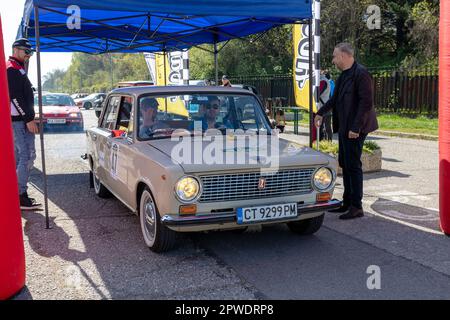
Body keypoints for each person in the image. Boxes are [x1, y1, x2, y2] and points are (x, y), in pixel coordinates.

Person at [314, 43, 378, 220]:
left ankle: (356, 206)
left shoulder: (361, 73)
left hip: (356, 128)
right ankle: (346, 202)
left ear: (343, 56)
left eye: (335, 56)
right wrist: (320, 113)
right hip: (345, 126)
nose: (333, 60)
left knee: (353, 164)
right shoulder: (344, 75)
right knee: (344, 161)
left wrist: (355, 128)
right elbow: (334, 100)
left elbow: (366, 103)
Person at [7, 38, 41, 210]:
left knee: (22, 157)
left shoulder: (17, 68)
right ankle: (20, 195)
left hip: (20, 120)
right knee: (26, 156)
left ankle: (17, 194)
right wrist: (28, 118)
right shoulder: (12, 69)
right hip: (19, 121)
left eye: (31, 53)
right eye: (26, 52)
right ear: (16, 50)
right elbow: (15, 98)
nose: (29, 56)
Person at [319, 70, 332, 141]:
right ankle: (328, 142)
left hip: (324, 107)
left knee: (324, 126)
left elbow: (318, 94)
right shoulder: (327, 81)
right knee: (326, 126)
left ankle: (326, 142)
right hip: (327, 106)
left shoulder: (323, 81)